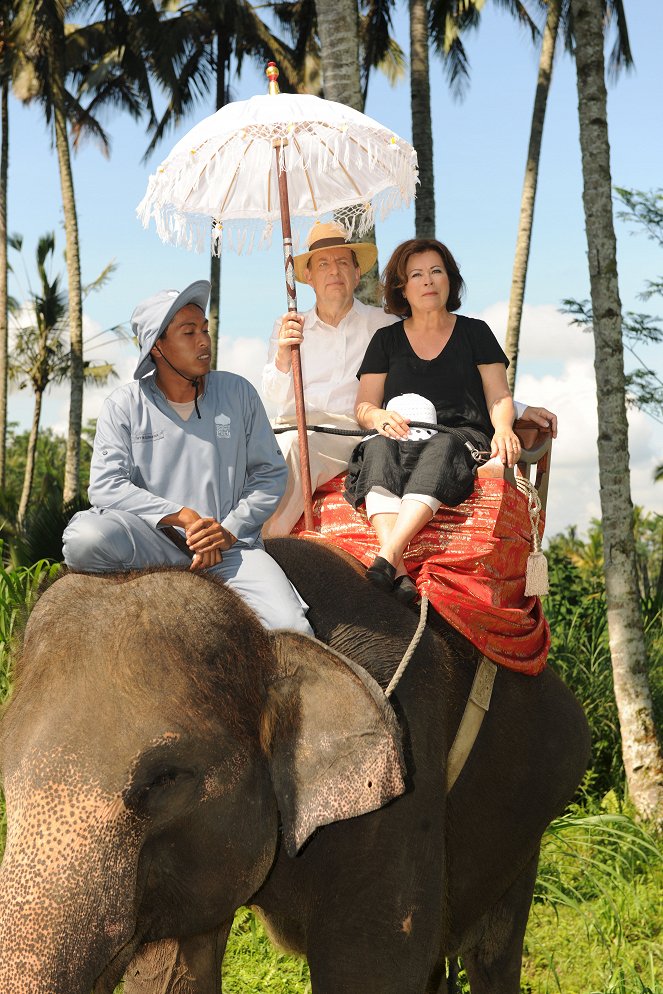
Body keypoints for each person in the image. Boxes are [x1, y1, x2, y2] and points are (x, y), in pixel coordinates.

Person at [262, 221, 557, 538]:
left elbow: (437, 375)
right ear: (308, 277)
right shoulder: (289, 325)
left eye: (342, 263)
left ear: (356, 273)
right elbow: (275, 396)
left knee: (296, 447)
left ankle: (268, 543)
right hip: (294, 426)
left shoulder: (383, 326)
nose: (333, 271)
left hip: (345, 430)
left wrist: (518, 409)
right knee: (255, 451)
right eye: (323, 264)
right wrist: (282, 356)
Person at [62, 280, 313, 635]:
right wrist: (181, 517)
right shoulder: (124, 405)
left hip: (230, 550)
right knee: (83, 538)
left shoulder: (238, 393)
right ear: (157, 347)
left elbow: (269, 474)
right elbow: (105, 486)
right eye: (189, 332)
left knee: (293, 629)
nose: (204, 340)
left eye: (205, 330)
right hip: (154, 542)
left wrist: (227, 531)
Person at [343, 238, 535, 603]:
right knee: (377, 446)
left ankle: (387, 555)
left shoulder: (475, 332)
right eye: (416, 274)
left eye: (436, 271)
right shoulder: (385, 340)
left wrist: (506, 427)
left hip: (458, 438)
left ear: (450, 280)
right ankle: (396, 569)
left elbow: (498, 395)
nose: (428, 281)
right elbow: (365, 406)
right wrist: (379, 416)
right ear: (402, 288)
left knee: (443, 444)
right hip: (400, 435)